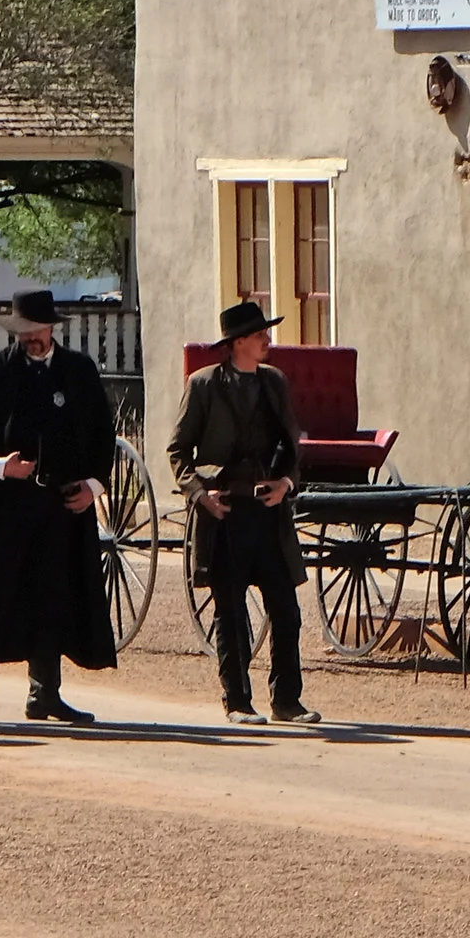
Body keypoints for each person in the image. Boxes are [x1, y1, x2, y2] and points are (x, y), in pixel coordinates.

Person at [0, 289, 118, 727]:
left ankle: (45, 693)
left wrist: (92, 486)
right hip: (8, 506)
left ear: (51, 328)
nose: (31, 338)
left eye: (37, 330)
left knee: (55, 596)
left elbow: (103, 437)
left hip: (63, 505)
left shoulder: (78, 371)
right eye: (23, 332)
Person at [168, 297, 319, 727]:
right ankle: (237, 702)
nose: (267, 339)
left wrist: (287, 483)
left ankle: (287, 701)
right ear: (236, 343)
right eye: (258, 334)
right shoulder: (202, 386)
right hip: (226, 511)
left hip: (268, 512)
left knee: (286, 610)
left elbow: (292, 447)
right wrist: (201, 495)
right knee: (230, 612)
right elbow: (177, 452)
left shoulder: (274, 382)